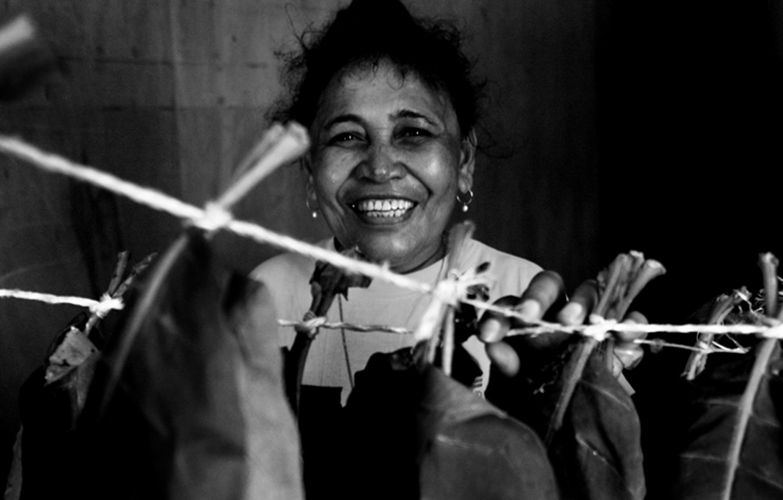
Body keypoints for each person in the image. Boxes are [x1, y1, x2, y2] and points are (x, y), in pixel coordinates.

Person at [251, 1, 644, 494]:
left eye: (413, 133)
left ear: (463, 162)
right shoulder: (260, 299)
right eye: (347, 136)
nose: (380, 166)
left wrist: (576, 380)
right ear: (310, 174)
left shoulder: (525, 300)